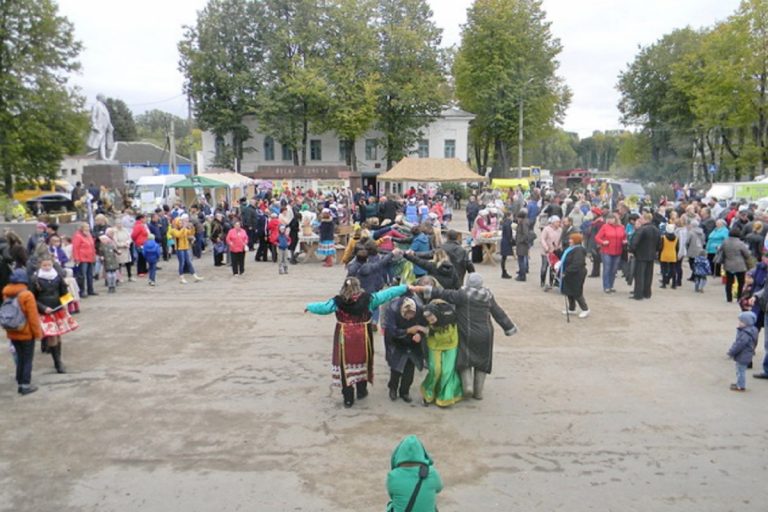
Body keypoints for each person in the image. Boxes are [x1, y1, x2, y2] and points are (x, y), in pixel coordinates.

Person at [304, 278, 411, 408]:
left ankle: (348, 398)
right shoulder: (369, 299)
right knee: (363, 361)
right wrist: (405, 288)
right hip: (362, 336)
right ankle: (361, 391)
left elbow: (324, 308)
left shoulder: (337, 302)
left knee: (345, 364)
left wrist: (309, 307)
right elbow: (387, 293)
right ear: (358, 287)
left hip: (345, 336)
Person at [420, 273, 517, 400]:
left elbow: (443, 293)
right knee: (482, 362)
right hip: (485, 333)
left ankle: (467, 387)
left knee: (465, 360)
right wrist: (509, 327)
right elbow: (498, 313)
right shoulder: (488, 296)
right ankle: (478, 393)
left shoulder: (462, 294)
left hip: (466, 332)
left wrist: (424, 289)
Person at [32, 257, 78, 373]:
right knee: (52, 335)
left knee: (58, 335)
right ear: (40, 265)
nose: (47, 267)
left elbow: (64, 292)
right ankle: (57, 363)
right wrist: (43, 308)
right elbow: (32, 298)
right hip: (45, 312)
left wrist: (66, 304)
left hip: (58, 309)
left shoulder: (57, 276)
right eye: (44, 265)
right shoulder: (35, 279)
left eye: (49, 265)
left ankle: (59, 359)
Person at [2, 269, 43, 395]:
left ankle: (20, 382)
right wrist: (37, 334)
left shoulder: (6, 292)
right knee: (27, 360)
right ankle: (25, 385)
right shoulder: (27, 295)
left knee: (20, 358)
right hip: (26, 332)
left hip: (12, 330)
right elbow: (33, 317)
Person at [383, 296, 428, 403]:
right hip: (396, 342)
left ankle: (404, 392)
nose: (409, 318)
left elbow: (424, 326)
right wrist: (408, 331)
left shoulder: (420, 311)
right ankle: (393, 388)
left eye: (411, 315)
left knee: (409, 370)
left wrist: (419, 335)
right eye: (406, 315)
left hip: (413, 344)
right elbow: (392, 331)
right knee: (396, 369)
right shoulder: (393, 311)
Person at [421, 299, 463, 407]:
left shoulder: (449, 318)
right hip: (434, 346)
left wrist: (429, 332)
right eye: (427, 319)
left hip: (450, 345)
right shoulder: (425, 319)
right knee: (436, 370)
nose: (430, 320)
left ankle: (445, 397)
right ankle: (428, 393)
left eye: (432, 318)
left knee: (447, 371)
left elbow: (447, 335)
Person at [386, 435, 443, 512]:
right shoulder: (432, 473)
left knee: (391, 505)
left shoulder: (392, 476)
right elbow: (439, 488)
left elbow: (393, 496)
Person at [629, 213, 661, 301]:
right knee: (648, 275)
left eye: (641, 219)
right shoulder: (656, 229)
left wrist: (631, 250)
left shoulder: (642, 229)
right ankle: (647, 293)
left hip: (640, 255)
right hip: (651, 255)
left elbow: (634, 241)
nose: (639, 220)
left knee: (639, 275)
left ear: (645, 219)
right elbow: (659, 243)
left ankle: (638, 294)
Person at [558, 233, 590, 318]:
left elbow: (577, 263)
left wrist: (567, 271)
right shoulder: (571, 248)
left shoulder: (579, 250)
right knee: (569, 291)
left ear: (576, 240)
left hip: (577, 273)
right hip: (570, 273)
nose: (569, 241)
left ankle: (585, 309)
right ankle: (572, 308)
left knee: (577, 292)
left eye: (571, 239)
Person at [594, 213, 627, 293]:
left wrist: (624, 241)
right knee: (607, 268)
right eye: (608, 218)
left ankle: (611, 285)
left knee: (614, 269)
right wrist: (603, 242)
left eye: (611, 218)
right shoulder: (605, 227)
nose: (609, 220)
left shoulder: (621, 227)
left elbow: (624, 236)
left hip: (618, 251)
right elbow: (597, 237)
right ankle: (606, 286)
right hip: (606, 251)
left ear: (615, 219)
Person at [727, 311, 758, 392]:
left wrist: (731, 352)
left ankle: (740, 386)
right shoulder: (753, 330)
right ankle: (739, 383)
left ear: (747, 322)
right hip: (747, 354)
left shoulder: (745, 333)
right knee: (740, 370)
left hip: (743, 355)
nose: (739, 323)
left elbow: (739, 344)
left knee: (740, 371)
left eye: (741, 321)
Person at [721, 228, 752, 303]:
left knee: (729, 282)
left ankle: (729, 298)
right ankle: (739, 298)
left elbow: (722, 252)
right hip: (740, 265)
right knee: (740, 282)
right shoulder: (740, 243)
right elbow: (747, 254)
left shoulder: (725, 242)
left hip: (728, 264)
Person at [169, 217, 204, 284]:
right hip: (179, 248)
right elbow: (178, 235)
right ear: (176, 223)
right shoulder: (173, 230)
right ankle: (182, 277)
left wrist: (192, 227)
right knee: (181, 263)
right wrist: (184, 228)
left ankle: (195, 275)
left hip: (185, 247)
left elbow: (190, 233)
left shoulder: (184, 229)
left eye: (181, 222)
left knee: (189, 262)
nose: (181, 224)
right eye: (179, 223)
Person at [72, 223, 98, 297]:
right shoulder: (77, 236)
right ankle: (81, 291)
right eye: (86, 228)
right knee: (81, 276)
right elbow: (75, 248)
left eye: (88, 227)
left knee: (90, 275)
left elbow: (92, 246)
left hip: (90, 257)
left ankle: (90, 290)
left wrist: (94, 255)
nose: (88, 229)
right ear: (81, 228)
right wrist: (76, 258)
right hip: (82, 259)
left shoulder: (89, 235)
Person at [540, 216, 562, 290]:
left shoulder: (560, 230)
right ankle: (542, 281)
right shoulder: (546, 229)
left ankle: (551, 282)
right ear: (553, 222)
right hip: (546, 252)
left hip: (555, 252)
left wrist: (559, 247)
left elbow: (560, 240)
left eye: (559, 222)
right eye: (557, 222)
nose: (559, 223)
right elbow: (542, 239)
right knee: (544, 267)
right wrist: (546, 247)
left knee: (553, 268)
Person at [659, 224, 679, 289]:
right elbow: (677, 248)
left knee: (664, 270)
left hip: (664, 254)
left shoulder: (663, 238)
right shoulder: (676, 238)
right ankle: (674, 284)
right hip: (672, 255)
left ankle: (664, 284)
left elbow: (661, 247)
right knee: (673, 270)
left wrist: (659, 255)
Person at [514, 209, 531, 281]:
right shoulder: (525, 222)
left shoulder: (523, 223)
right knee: (521, 259)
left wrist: (520, 241)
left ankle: (522, 275)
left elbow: (525, 234)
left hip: (522, 244)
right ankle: (521, 273)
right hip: (523, 244)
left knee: (521, 260)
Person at [500, 211, 515, 279]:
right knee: (504, 258)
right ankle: (503, 272)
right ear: (509, 216)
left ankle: (503, 271)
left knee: (503, 258)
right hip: (506, 242)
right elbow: (509, 234)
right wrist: (511, 241)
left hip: (504, 241)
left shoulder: (504, 222)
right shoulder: (508, 224)